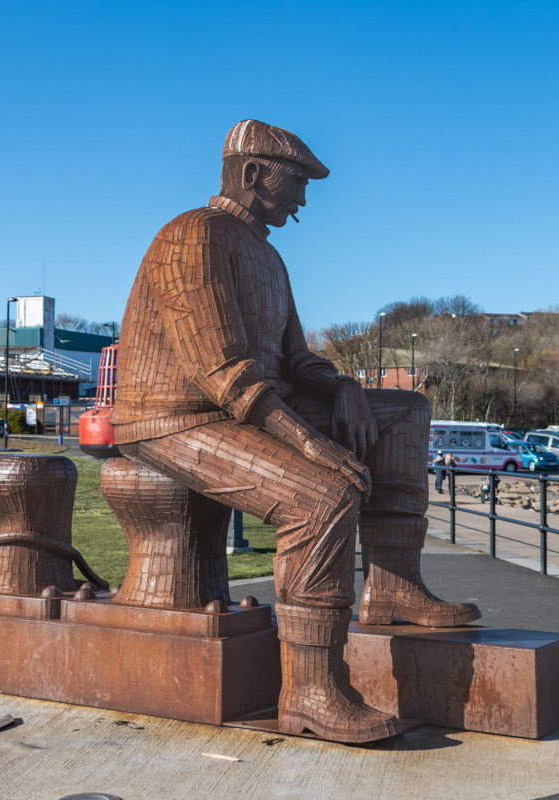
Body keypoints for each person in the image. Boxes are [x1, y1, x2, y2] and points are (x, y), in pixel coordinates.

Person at [110, 120, 478, 743]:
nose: (303, 200)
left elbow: (293, 359)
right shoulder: (190, 236)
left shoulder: (269, 257)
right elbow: (218, 369)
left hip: (248, 405)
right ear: (253, 173)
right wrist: (310, 443)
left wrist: (344, 389)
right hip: (175, 418)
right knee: (320, 495)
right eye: (297, 183)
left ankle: (393, 589)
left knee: (407, 412)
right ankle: (310, 692)